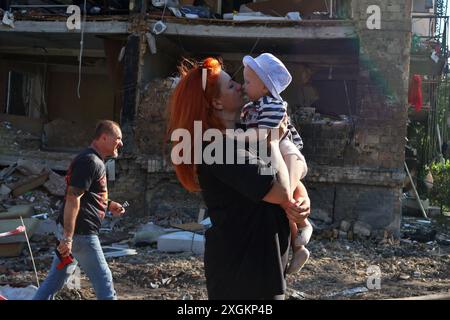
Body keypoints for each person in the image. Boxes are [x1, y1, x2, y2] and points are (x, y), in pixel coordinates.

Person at [166, 57, 310, 299]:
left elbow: (293, 169)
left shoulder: (244, 134)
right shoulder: (218, 149)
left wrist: (301, 201)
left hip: (266, 268)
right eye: (232, 85)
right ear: (217, 102)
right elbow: (279, 191)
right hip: (242, 277)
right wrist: (274, 142)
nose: (241, 87)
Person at [33, 120, 125, 300]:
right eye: (118, 138)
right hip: (81, 234)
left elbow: (87, 196)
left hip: (75, 234)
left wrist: (109, 204)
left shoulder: (93, 160)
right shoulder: (90, 161)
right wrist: (68, 238)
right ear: (104, 138)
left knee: (55, 281)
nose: (121, 143)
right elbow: (73, 198)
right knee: (104, 280)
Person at [239, 53, 312, 274]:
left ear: (264, 87)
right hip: (275, 151)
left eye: (248, 82)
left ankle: (302, 230)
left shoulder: (271, 104)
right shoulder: (254, 105)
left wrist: (235, 138)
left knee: (287, 196)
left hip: (285, 149)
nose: (243, 86)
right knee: (287, 197)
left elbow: (269, 134)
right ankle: (299, 243)